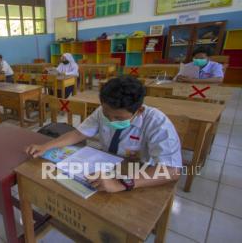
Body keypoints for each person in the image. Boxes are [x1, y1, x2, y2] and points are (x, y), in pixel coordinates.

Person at [26, 76, 181, 193]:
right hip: (107, 164)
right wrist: (46, 146)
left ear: (139, 111)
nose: (110, 120)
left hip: (140, 174)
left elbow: (172, 171)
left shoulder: (157, 123)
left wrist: (121, 183)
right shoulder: (103, 111)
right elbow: (79, 134)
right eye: (107, 114)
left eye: (118, 118)